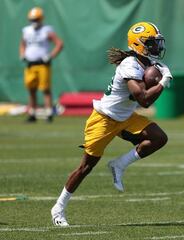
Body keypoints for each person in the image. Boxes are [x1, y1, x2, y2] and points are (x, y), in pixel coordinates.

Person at [50, 22, 172, 226]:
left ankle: (119, 164)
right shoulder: (129, 65)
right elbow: (143, 99)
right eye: (151, 43)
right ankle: (58, 208)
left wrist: (159, 77)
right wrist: (163, 82)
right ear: (138, 44)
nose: (155, 47)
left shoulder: (146, 62)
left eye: (156, 43)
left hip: (125, 117)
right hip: (104, 118)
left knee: (159, 138)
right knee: (85, 167)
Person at [19, 7, 63, 123]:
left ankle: (48, 113)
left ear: (41, 19)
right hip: (30, 64)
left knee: (45, 89)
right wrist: (22, 54)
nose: (34, 21)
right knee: (31, 89)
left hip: (43, 64)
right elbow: (22, 44)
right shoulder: (27, 30)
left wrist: (50, 56)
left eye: (36, 19)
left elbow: (59, 43)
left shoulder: (46, 30)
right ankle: (32, 113)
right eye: (32, 19)